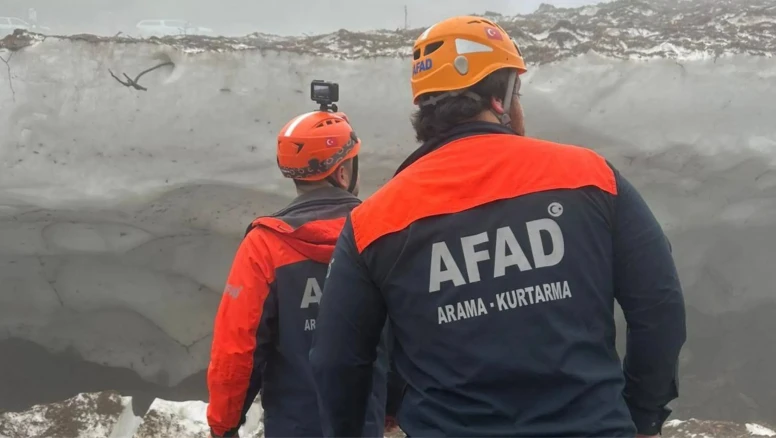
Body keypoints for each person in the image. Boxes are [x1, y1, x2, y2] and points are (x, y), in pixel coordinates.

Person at [309, 16, 687, 438]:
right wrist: (642, 415)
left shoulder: (373, 221)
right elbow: (659, 306)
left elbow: (337, 359)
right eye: (517, 91)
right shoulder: (592, 176)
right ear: (500, 100)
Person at [206, 109, 389, 437]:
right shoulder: (379, 234)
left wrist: (224, 426)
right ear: (343, 172)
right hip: (365, 423)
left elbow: (237, 349)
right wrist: (393, 405)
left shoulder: (265, 246)